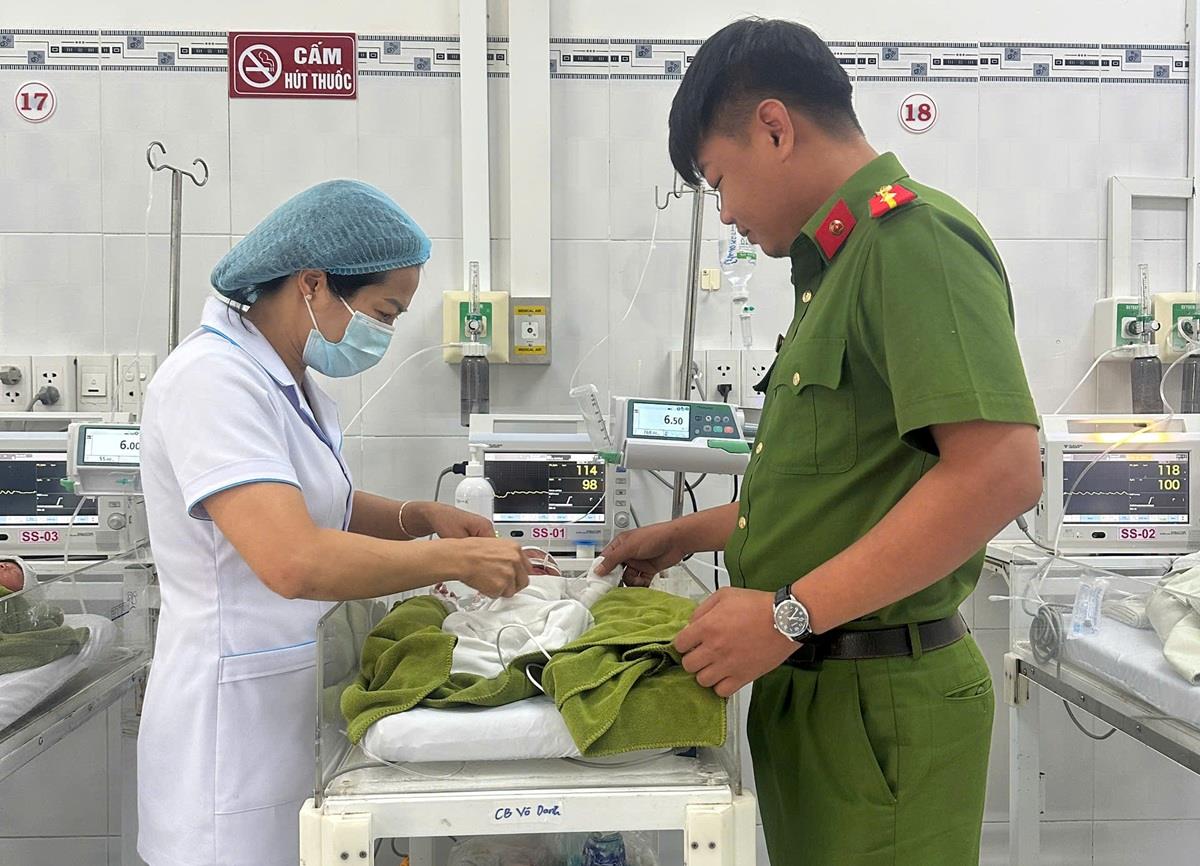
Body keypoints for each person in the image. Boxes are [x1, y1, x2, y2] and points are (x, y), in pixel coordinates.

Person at [596, 18, 1041, 866]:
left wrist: (785, 614)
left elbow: (1001, 472)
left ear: (775, 127)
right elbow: (838, 492)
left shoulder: (912, 243)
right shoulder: (834, 273)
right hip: (817, 687)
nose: (726, 213)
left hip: (879, 703)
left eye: (720, 181)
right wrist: (685, 534)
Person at [136, 180, 532, 866]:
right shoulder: (211, 381)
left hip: (295, 703)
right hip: (229, 732)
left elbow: (326, 506)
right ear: (313, 283)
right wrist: (456, 561)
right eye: (383, 311)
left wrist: (419, 516)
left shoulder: (290, 382)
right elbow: (294, 559)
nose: (386, 332)